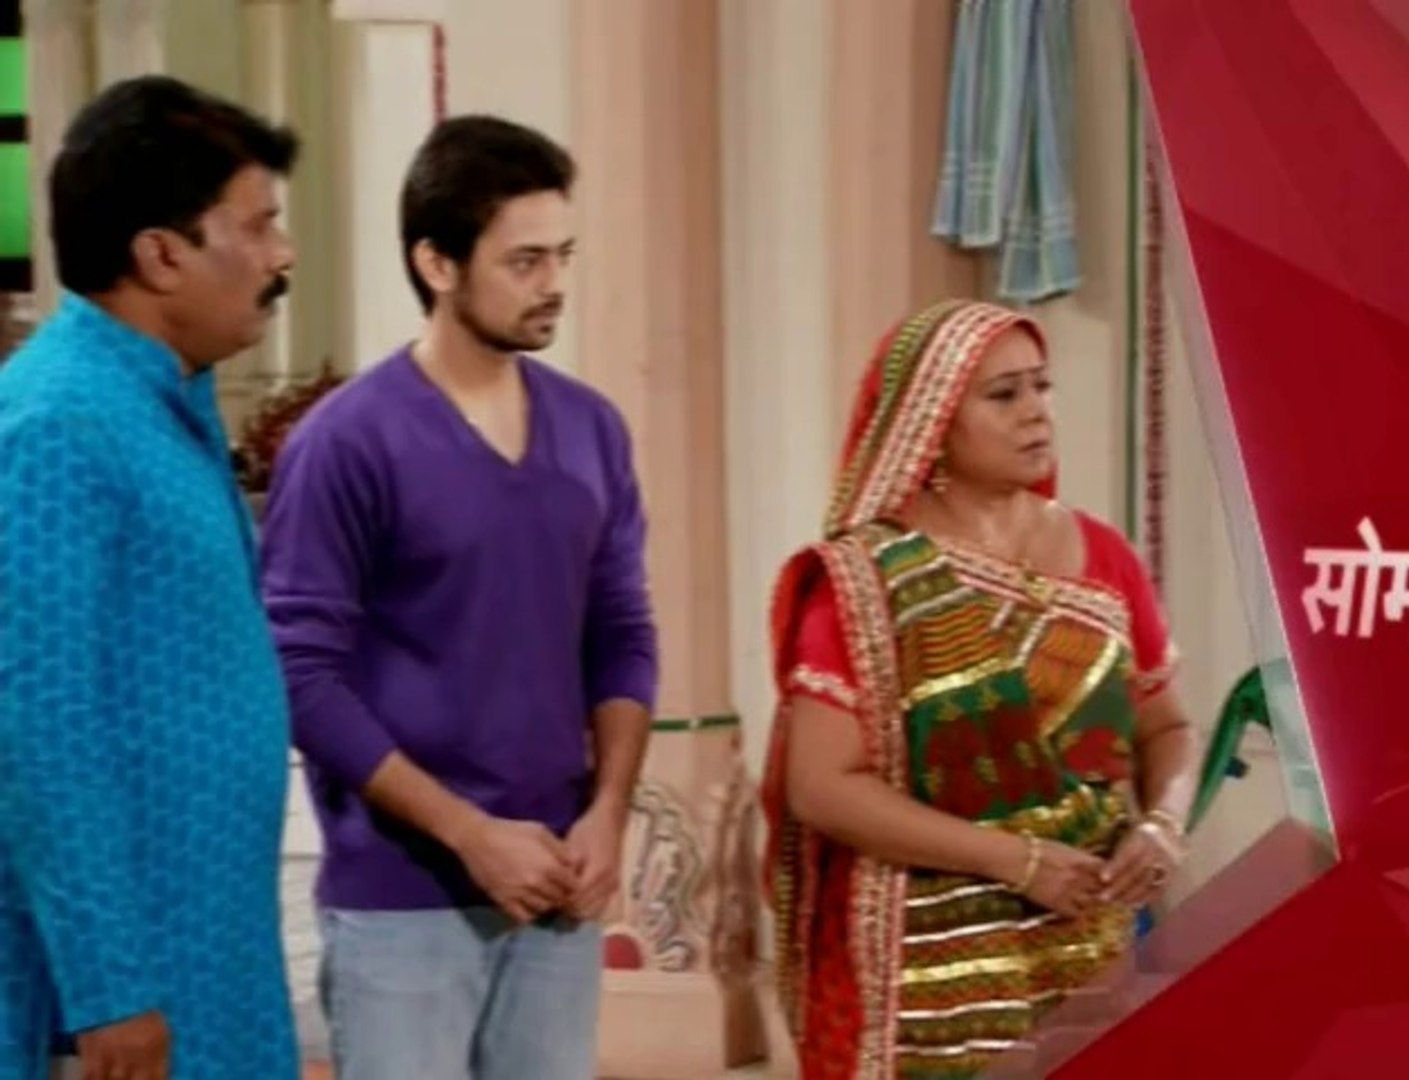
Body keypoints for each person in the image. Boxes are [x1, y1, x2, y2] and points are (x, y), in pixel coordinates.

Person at [259, 115, 658, 1080]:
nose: (554, 283)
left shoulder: (592, 431)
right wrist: (469, 834)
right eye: (525, 261)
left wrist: (609, 810)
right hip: (402, 902)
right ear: (436, 263)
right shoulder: (346, 443)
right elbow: (300, 674)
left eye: (563, 255)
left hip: (558, 886)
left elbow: (622, 632)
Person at [762, 299, 1201, 1078]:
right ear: (931, 421)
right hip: (926, 965)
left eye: (1041, 386)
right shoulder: (868, 581)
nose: (1036, 412)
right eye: (1003, 395)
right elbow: (821, 786)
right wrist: (1016, 861)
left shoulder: (1104, 555)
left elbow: (1166, 727)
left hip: (1086, 940)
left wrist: (1164, 823)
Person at [0, 76, 300, 1080]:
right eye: (256, 226)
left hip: (204, 945)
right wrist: (108, 986)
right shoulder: (57, 423)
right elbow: (40, 719)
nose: (281, 255)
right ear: (161, 254)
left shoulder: (161, 401)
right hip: (121, 990)